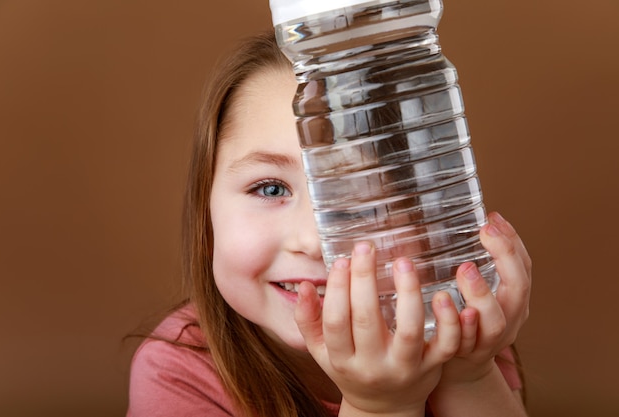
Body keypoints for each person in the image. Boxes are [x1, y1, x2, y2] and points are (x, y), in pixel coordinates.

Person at [127, 30, 532, 417]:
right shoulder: (174, 372)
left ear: (430, 220)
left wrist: (468, 375)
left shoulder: (453, 326)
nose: (313, 241)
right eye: (270, 189)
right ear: (206, 209)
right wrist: (380, 406)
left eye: (362, 202)